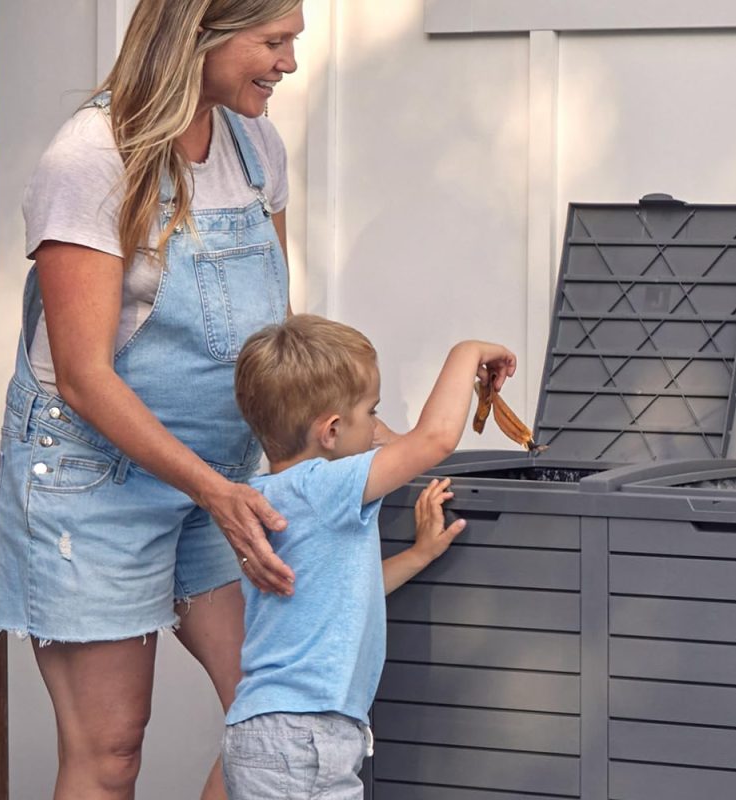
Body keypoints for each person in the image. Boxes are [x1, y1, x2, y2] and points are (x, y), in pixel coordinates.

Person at [0, 2, 363, 797]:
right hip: (93, 481)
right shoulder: (91, 159)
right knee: (111, 749)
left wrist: (398, 441)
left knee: (282, 717)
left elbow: (276, 350)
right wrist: (215, 491)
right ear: (200, 34)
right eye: (272, 41)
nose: (288, 63)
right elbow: (86, 378)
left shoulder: (255, 146)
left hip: (219, 478)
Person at [221, 314, 516, 799]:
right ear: (332, 431)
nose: (379, 427)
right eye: (372, 412)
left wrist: (419, 555)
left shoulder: (281, 492)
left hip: (286, 736)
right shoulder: (323, 488)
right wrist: (467, 351)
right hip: (302, 740)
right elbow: (435, 439)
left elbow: (342, 593)